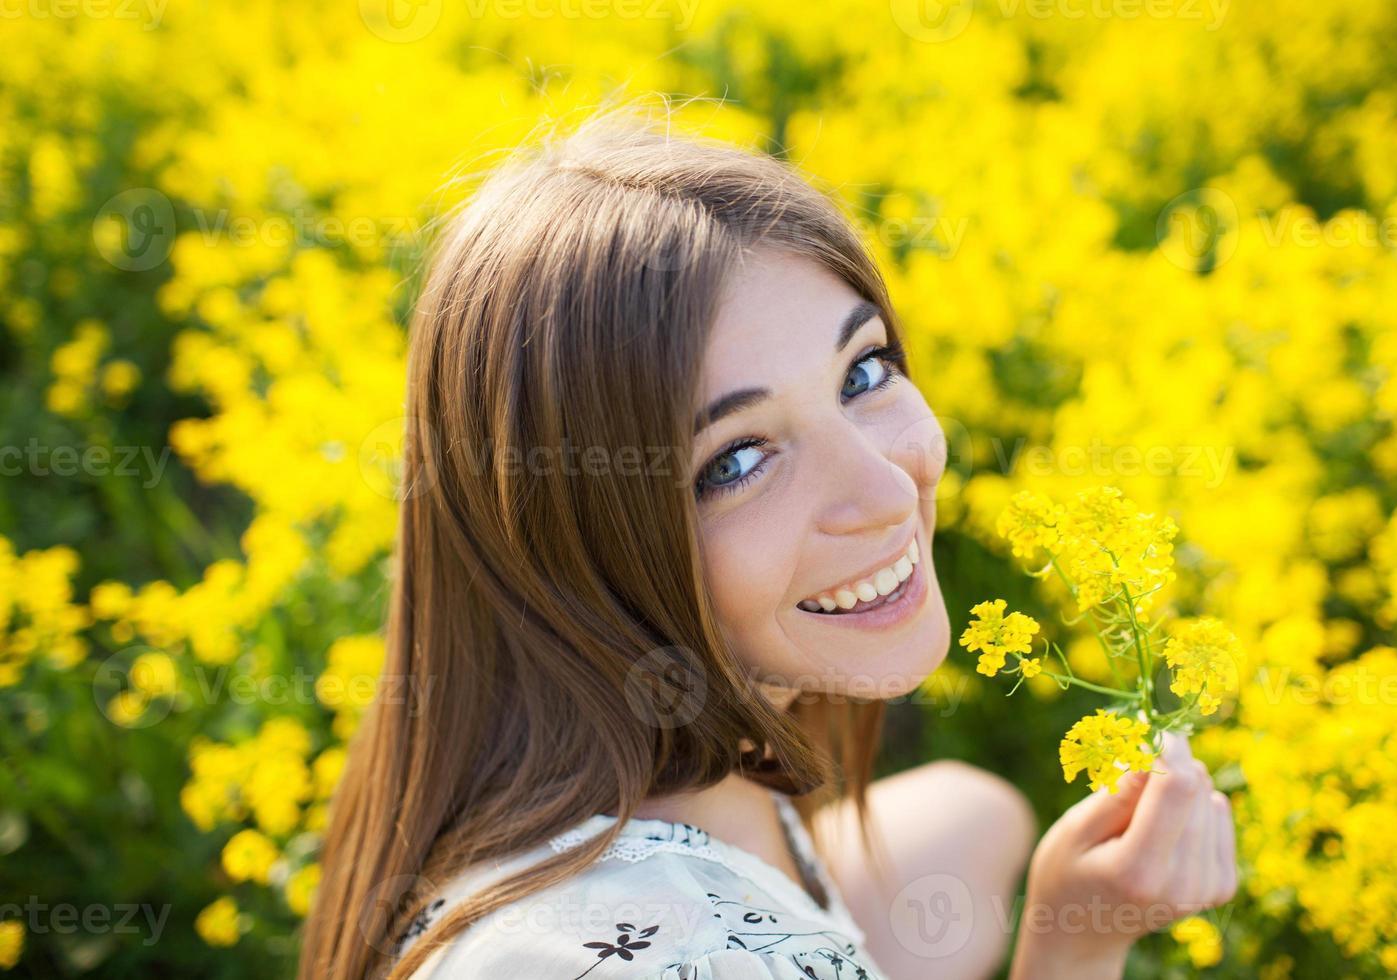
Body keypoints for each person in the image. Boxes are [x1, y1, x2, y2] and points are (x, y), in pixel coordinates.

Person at [297, 100, 1236, 980]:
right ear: (581, 546)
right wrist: (1076, 952)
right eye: (738, 460)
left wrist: (1082, 908)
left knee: (975, 817)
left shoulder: (588, 755)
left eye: (863, 371)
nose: (883, 489)